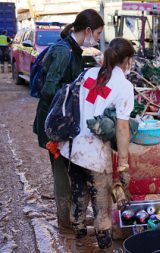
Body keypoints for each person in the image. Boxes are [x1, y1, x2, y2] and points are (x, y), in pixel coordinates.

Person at [58, 37, 135, 250]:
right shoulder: (124, 85)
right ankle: (104, 244)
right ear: (128, 60)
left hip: (71, 148)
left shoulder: (88, 74)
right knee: (102, 204)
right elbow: (122, 127)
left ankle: (78, 240)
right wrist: (123, 164)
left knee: (78, 193)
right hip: (94, 153)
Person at [32, 9, 104, 228]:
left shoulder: (73, 50)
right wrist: (71, 99)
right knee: (62, 174)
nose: (99, 39)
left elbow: (71, 81)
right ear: (89, 30)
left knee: (69, 170)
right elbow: (49, 90)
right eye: (99, 33)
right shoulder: (64, 52)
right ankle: (65, 224)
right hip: (54, 126)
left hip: (61, 123)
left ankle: (71, 218)